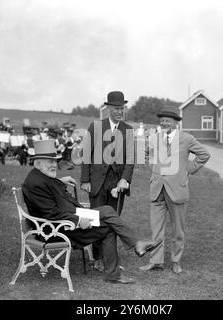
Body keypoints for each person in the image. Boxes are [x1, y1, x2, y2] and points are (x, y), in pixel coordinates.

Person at [22, 140, 161, 284]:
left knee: (108, 211)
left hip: (68, 220)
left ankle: (128, 255)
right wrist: (77, 220)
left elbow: (49, 187)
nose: (53, 165)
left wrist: (60, 181)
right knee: (109, 226)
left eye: (54, 161)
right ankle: (122, 263)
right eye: (49, 161)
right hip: (57, 230)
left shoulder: (40, 176)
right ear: (37, 162)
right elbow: (50, 214)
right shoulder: (35, 184)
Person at [140, 106, 210, 274]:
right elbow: (147, 156)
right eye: (162, 121)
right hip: (157, 189)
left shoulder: (186, 139)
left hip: (177, 191)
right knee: (156, 229)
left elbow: (204, 155)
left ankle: (176, 260)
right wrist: (155, 169)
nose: (164, 123)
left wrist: (187, 169)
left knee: (178, 230)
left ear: (176, 123)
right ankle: (156, 261)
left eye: (168, 121)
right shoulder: (155, 138)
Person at [80, 91, 134, 271]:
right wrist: (85, 179)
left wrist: (124, 180)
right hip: (96, 182)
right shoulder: (95, 127)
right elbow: (86, 154)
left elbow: (130, 160)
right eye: (116, 108)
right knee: (95, 220)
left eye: (122, 109)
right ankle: (97, 258)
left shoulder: (128, 130)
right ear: (108, 108)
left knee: (113, 221)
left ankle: (110, 259)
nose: (120, 112)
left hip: (116, 185)